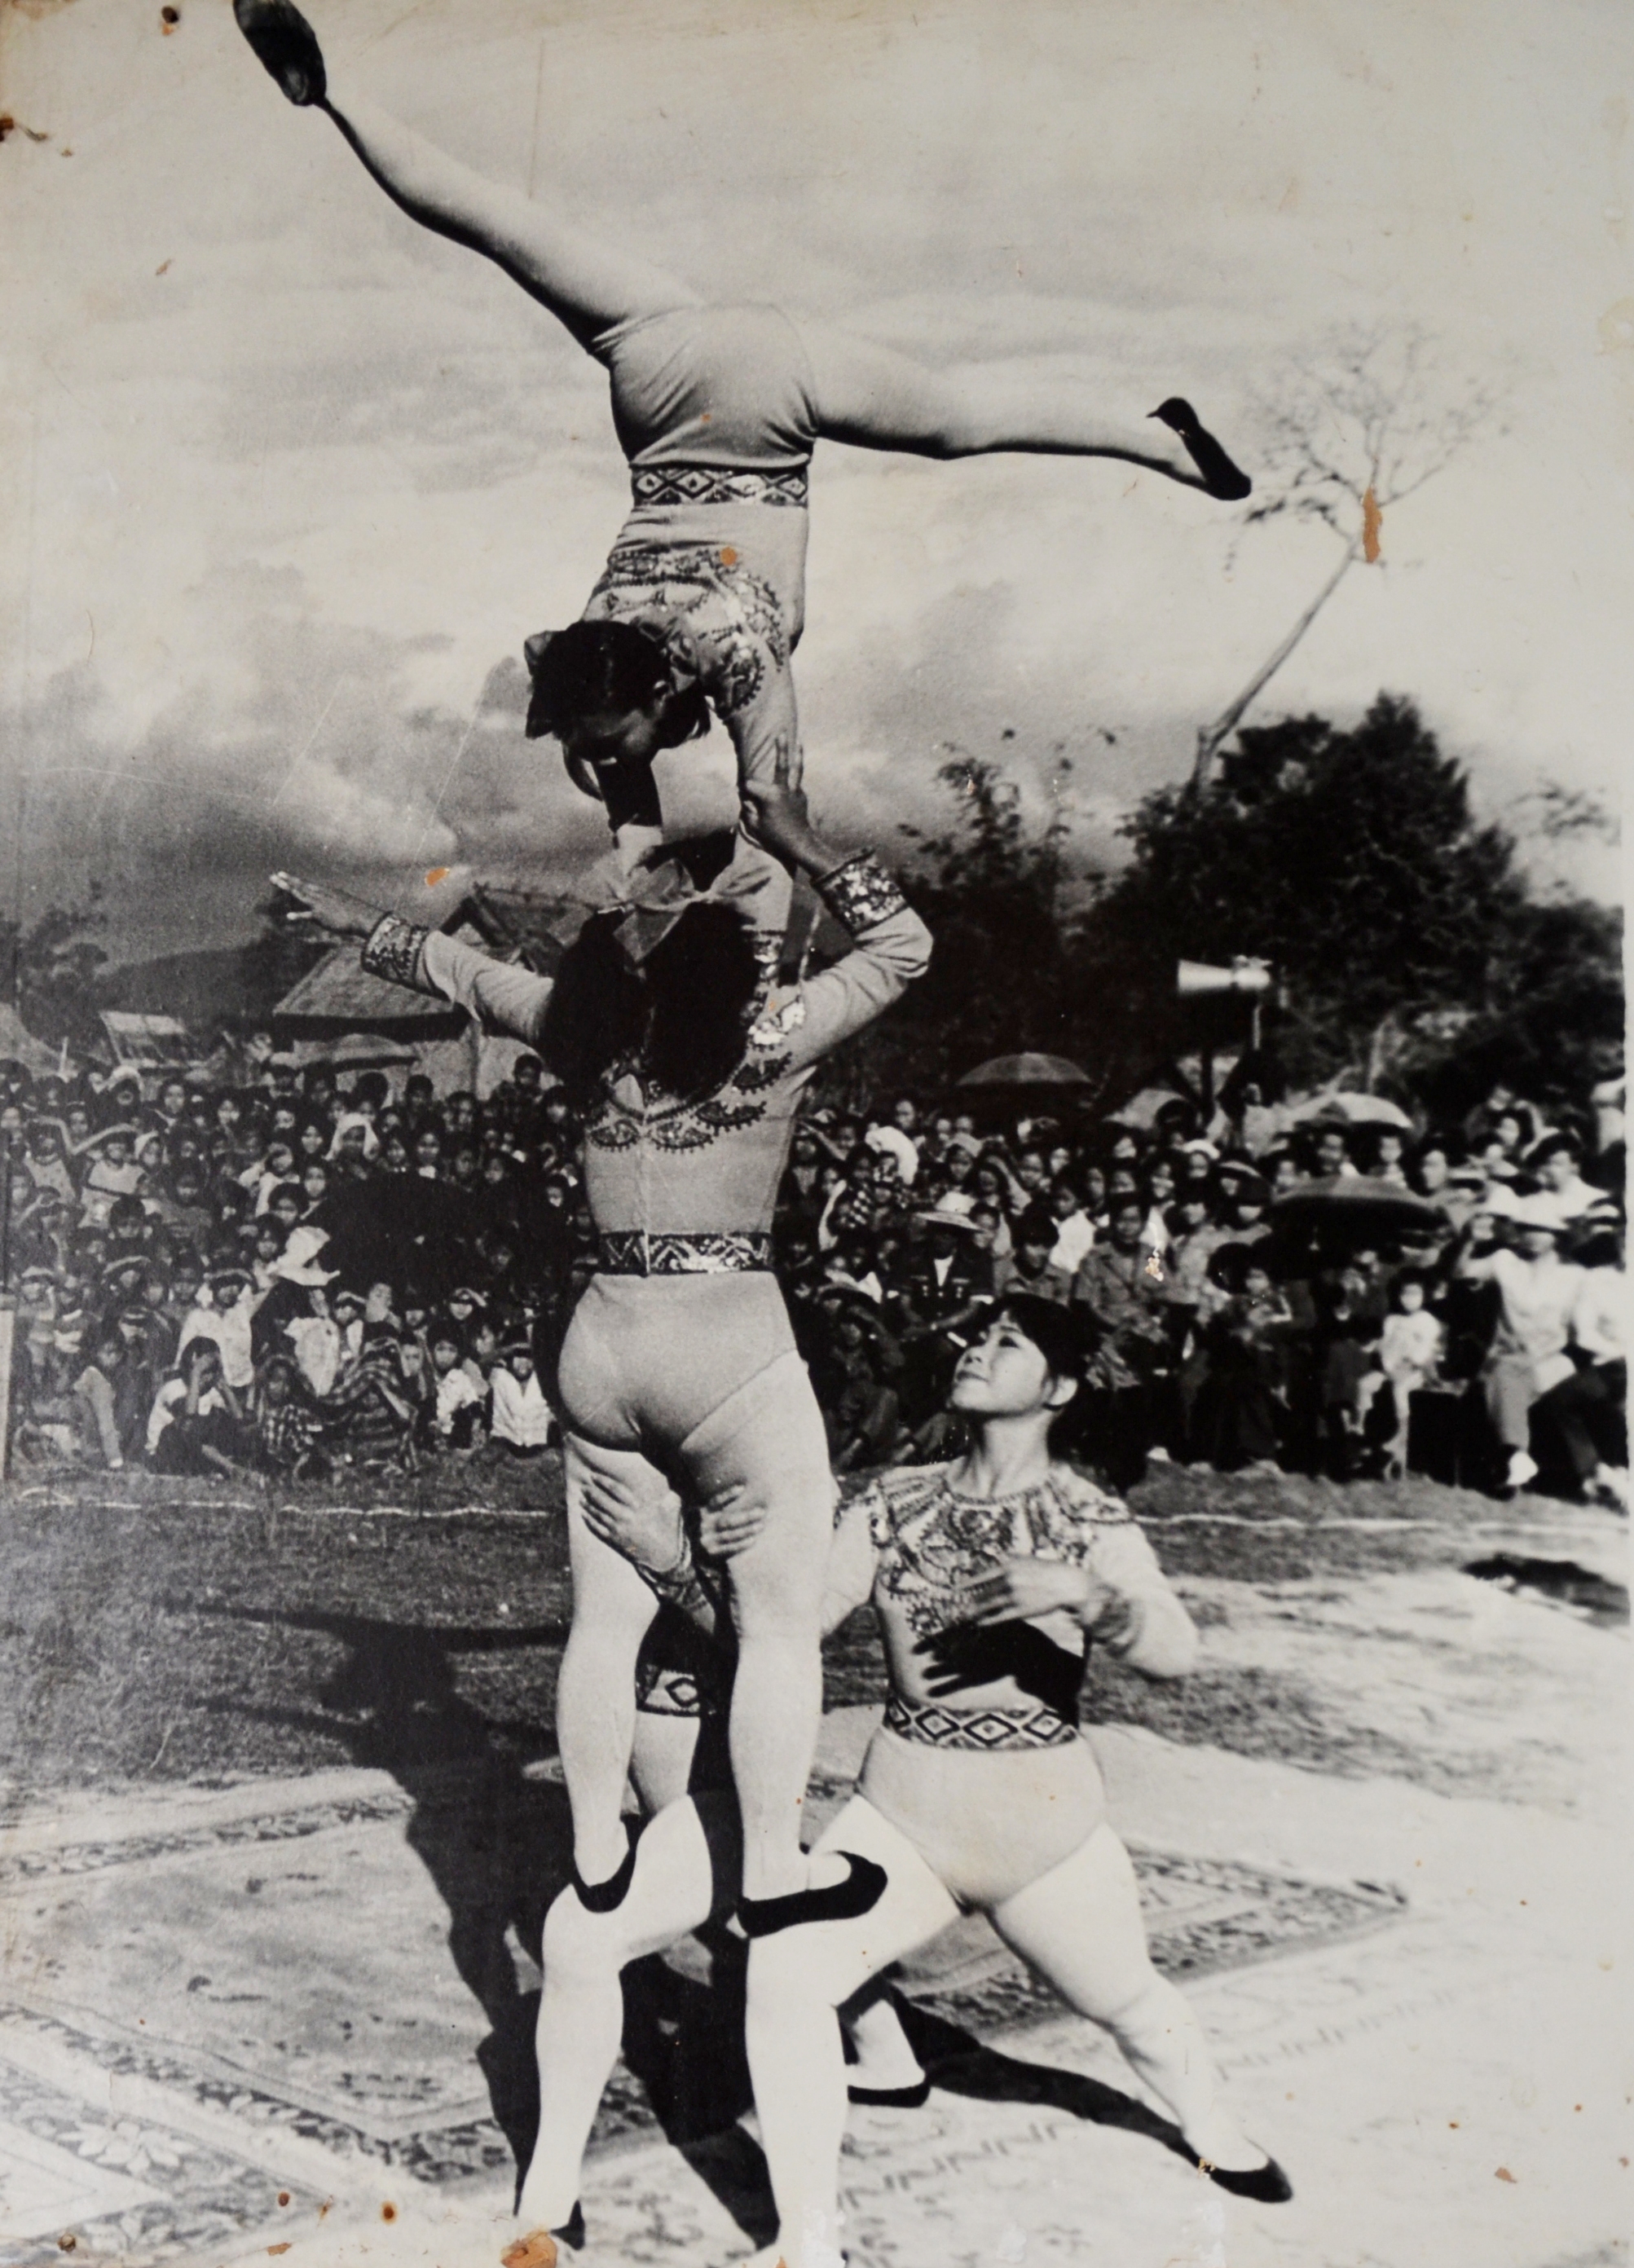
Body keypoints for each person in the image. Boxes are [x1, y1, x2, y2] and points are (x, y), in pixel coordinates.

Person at [233, 0, 1250, 870]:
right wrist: (633, 861)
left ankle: (1161, 444)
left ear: (654, 691)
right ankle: (330, 92)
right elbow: (626, 784)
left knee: (959, 423)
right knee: (497, 225)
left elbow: (773, 811)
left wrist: (702, 876)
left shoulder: (738, 649)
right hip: (655, 361)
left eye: (607, 744)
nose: (603, 758)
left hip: (765, 406)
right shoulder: (585, 659)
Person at [271, 766, 930, 1928]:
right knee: (777, 1627)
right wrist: (804, 839)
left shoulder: (584, 1033)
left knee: (605, 1623)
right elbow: (904, 947)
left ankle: (594, 1843)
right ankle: (771, 1870)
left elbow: (450, 966)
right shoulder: (770, 1033)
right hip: (726, 1337)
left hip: (603, 1344)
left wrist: (347, 916)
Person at [563, 1298, 1288, 2268]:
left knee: (1125, 2002)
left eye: (1007, 1342)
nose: (976, 1349)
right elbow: (783, 1631)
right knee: (783, 1972)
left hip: (1042, 1833)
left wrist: (1086, 1595)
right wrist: (686, 1557)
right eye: (977, 1334)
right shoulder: (893, 1501)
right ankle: (807, 2243)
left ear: (1060, 1388)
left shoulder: (1086, 1518)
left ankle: (1215, 2128)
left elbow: (1175, 1651)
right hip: (900, 1819)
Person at [1455, 1196, 1585, 1493]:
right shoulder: (1505, 1261)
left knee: (1507, 1380)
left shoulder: (1575, 1276)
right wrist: (1468, 1241)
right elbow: (1460, 1273)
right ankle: (1515, 1455)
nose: (1533, 1235)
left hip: (1552, 1362)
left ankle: (1513, 1457)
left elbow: (1582, 1331)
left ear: (1557, 1235)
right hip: (1507, 1356)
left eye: (1542, 1229)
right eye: (1527, 1227)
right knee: (1505, 1373)